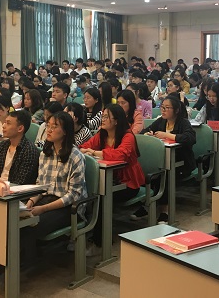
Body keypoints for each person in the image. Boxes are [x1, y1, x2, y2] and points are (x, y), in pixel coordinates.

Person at [0, 112, 85, 298]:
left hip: (66, 209)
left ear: (65, 131)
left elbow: (73, 195)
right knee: (8, 227)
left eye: (54, 126)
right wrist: (31, 202)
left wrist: (42, 208)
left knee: (21, 232)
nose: (49, 130)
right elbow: (40, 185)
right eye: (48, 125)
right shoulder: (46, 153)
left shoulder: (75, 156)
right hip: (42, 201)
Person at [80, 104, 144, 254]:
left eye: (106, 117)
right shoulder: (102, 134)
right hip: (108, 180)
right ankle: (84, 235)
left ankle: (99, 242)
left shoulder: (128, 136)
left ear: (116, 121)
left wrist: (94, 153)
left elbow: (121, 154)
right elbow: (84, 146)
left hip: (128, 183)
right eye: (102, 116)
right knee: (88, 194)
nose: (103, 119)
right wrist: (86, 150)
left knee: (102, 199)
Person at [135, 96, 196, 224]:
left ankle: (164, 211)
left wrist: (167, 135)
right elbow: (144, 131)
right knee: (149, 169)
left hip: (181, 163)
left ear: (176, 110)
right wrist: (148, 135)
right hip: (163, 161)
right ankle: (147, 204)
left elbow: (190, 138)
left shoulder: (183, 123)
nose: (163, 110)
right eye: (162, 107)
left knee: (164, 173)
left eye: (167, 108)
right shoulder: (161, 122)